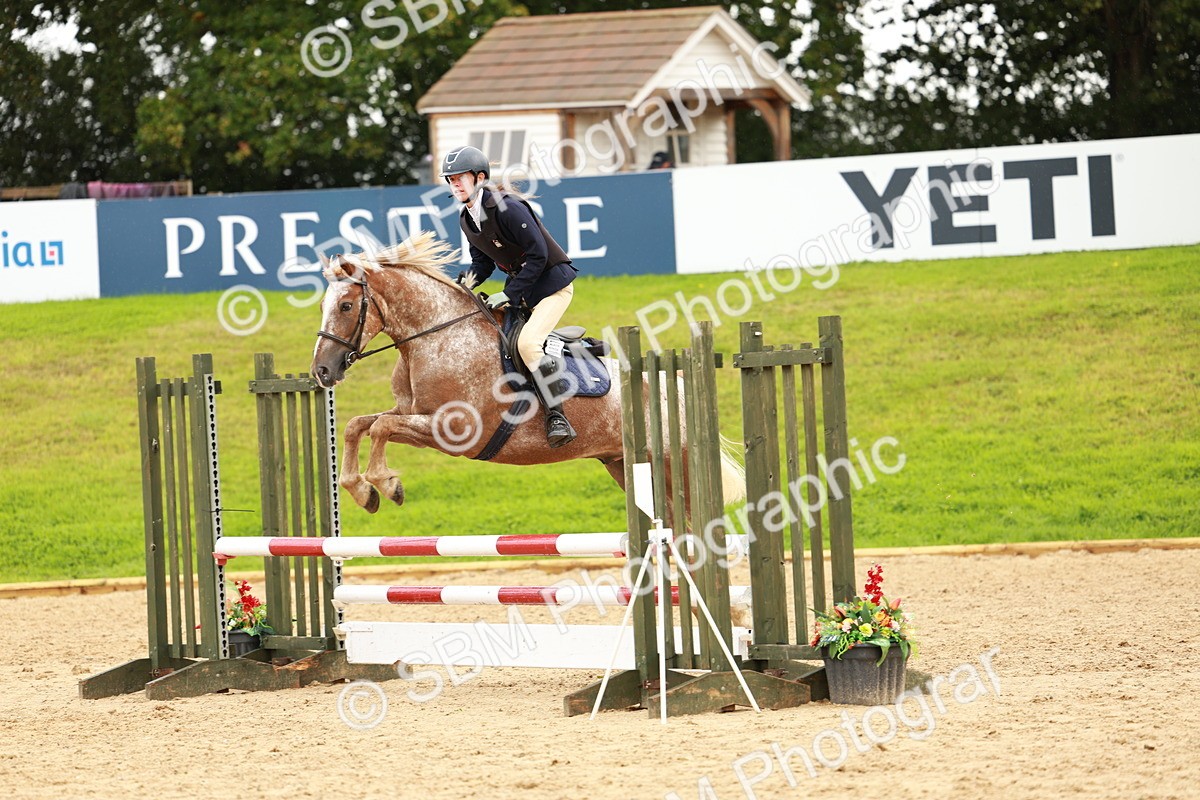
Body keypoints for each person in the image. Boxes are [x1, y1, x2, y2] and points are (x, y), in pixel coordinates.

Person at [441, 145, 579, 448]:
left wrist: (508, 292)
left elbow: (539, 255)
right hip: (525, 292)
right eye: (451, 180)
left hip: (552, 288)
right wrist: (461, 285)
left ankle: (558, 417)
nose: (455, 184)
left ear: (479, 177)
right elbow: (483, 263)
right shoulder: (467, 219)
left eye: (460, 178)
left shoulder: (508, 207)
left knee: (528, 344)